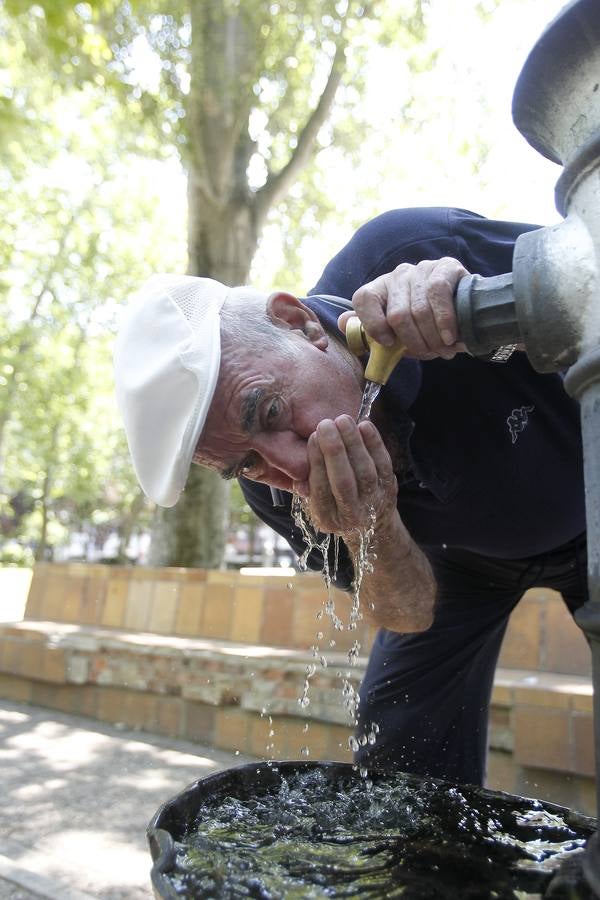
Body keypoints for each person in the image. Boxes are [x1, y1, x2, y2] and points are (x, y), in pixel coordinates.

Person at [113, 206, 587, 787]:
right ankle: (430, 872)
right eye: (247, 462)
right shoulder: (274, 490)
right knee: (397, 748)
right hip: (459, 563)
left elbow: (586, 276)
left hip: (589, 495)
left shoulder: (410, 249)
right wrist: (375, 528)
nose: (290, 463)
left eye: (270, 412)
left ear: (303, 326)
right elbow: (406, 614)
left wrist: (479, 307)